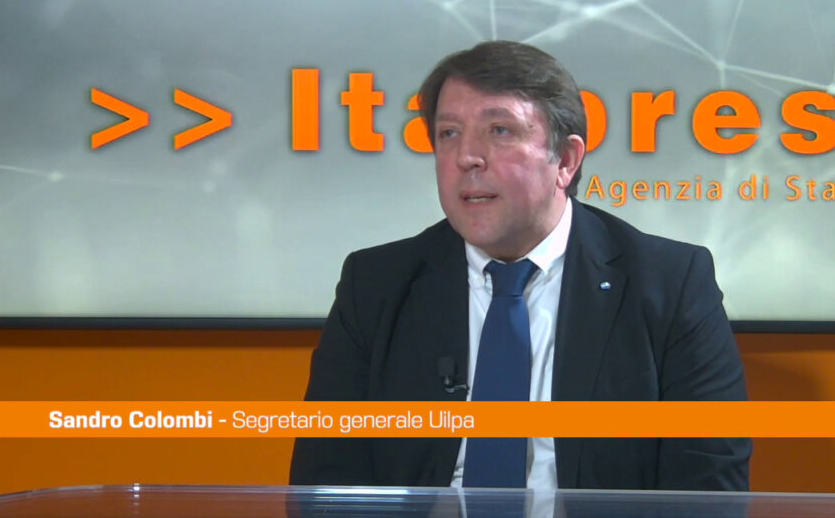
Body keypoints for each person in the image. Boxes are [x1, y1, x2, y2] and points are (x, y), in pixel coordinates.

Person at [289, 41, 751, 491]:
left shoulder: (670, 284)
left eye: (500, 130)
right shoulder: (375, 285)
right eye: (449, 133)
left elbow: (710, 484)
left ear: (565, 160)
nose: (467, 157)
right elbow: (324, 481)